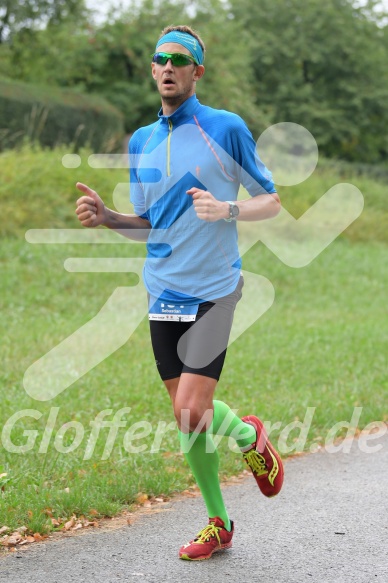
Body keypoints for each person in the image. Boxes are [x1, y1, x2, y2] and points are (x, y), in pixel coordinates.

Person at [75, 24, 284, 561]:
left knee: (193, 407)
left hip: (215, 288)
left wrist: (227, 208)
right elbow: (150, 224)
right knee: (188, 415)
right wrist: (108, 218)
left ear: (197, 72)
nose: (168, 66)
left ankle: (243, 435)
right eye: (160, 58)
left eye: (180, 59)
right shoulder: (142, 141)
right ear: (152, 70)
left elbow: (272, 201)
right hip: (163, 290)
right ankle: (220, 520)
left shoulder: (225, 128)